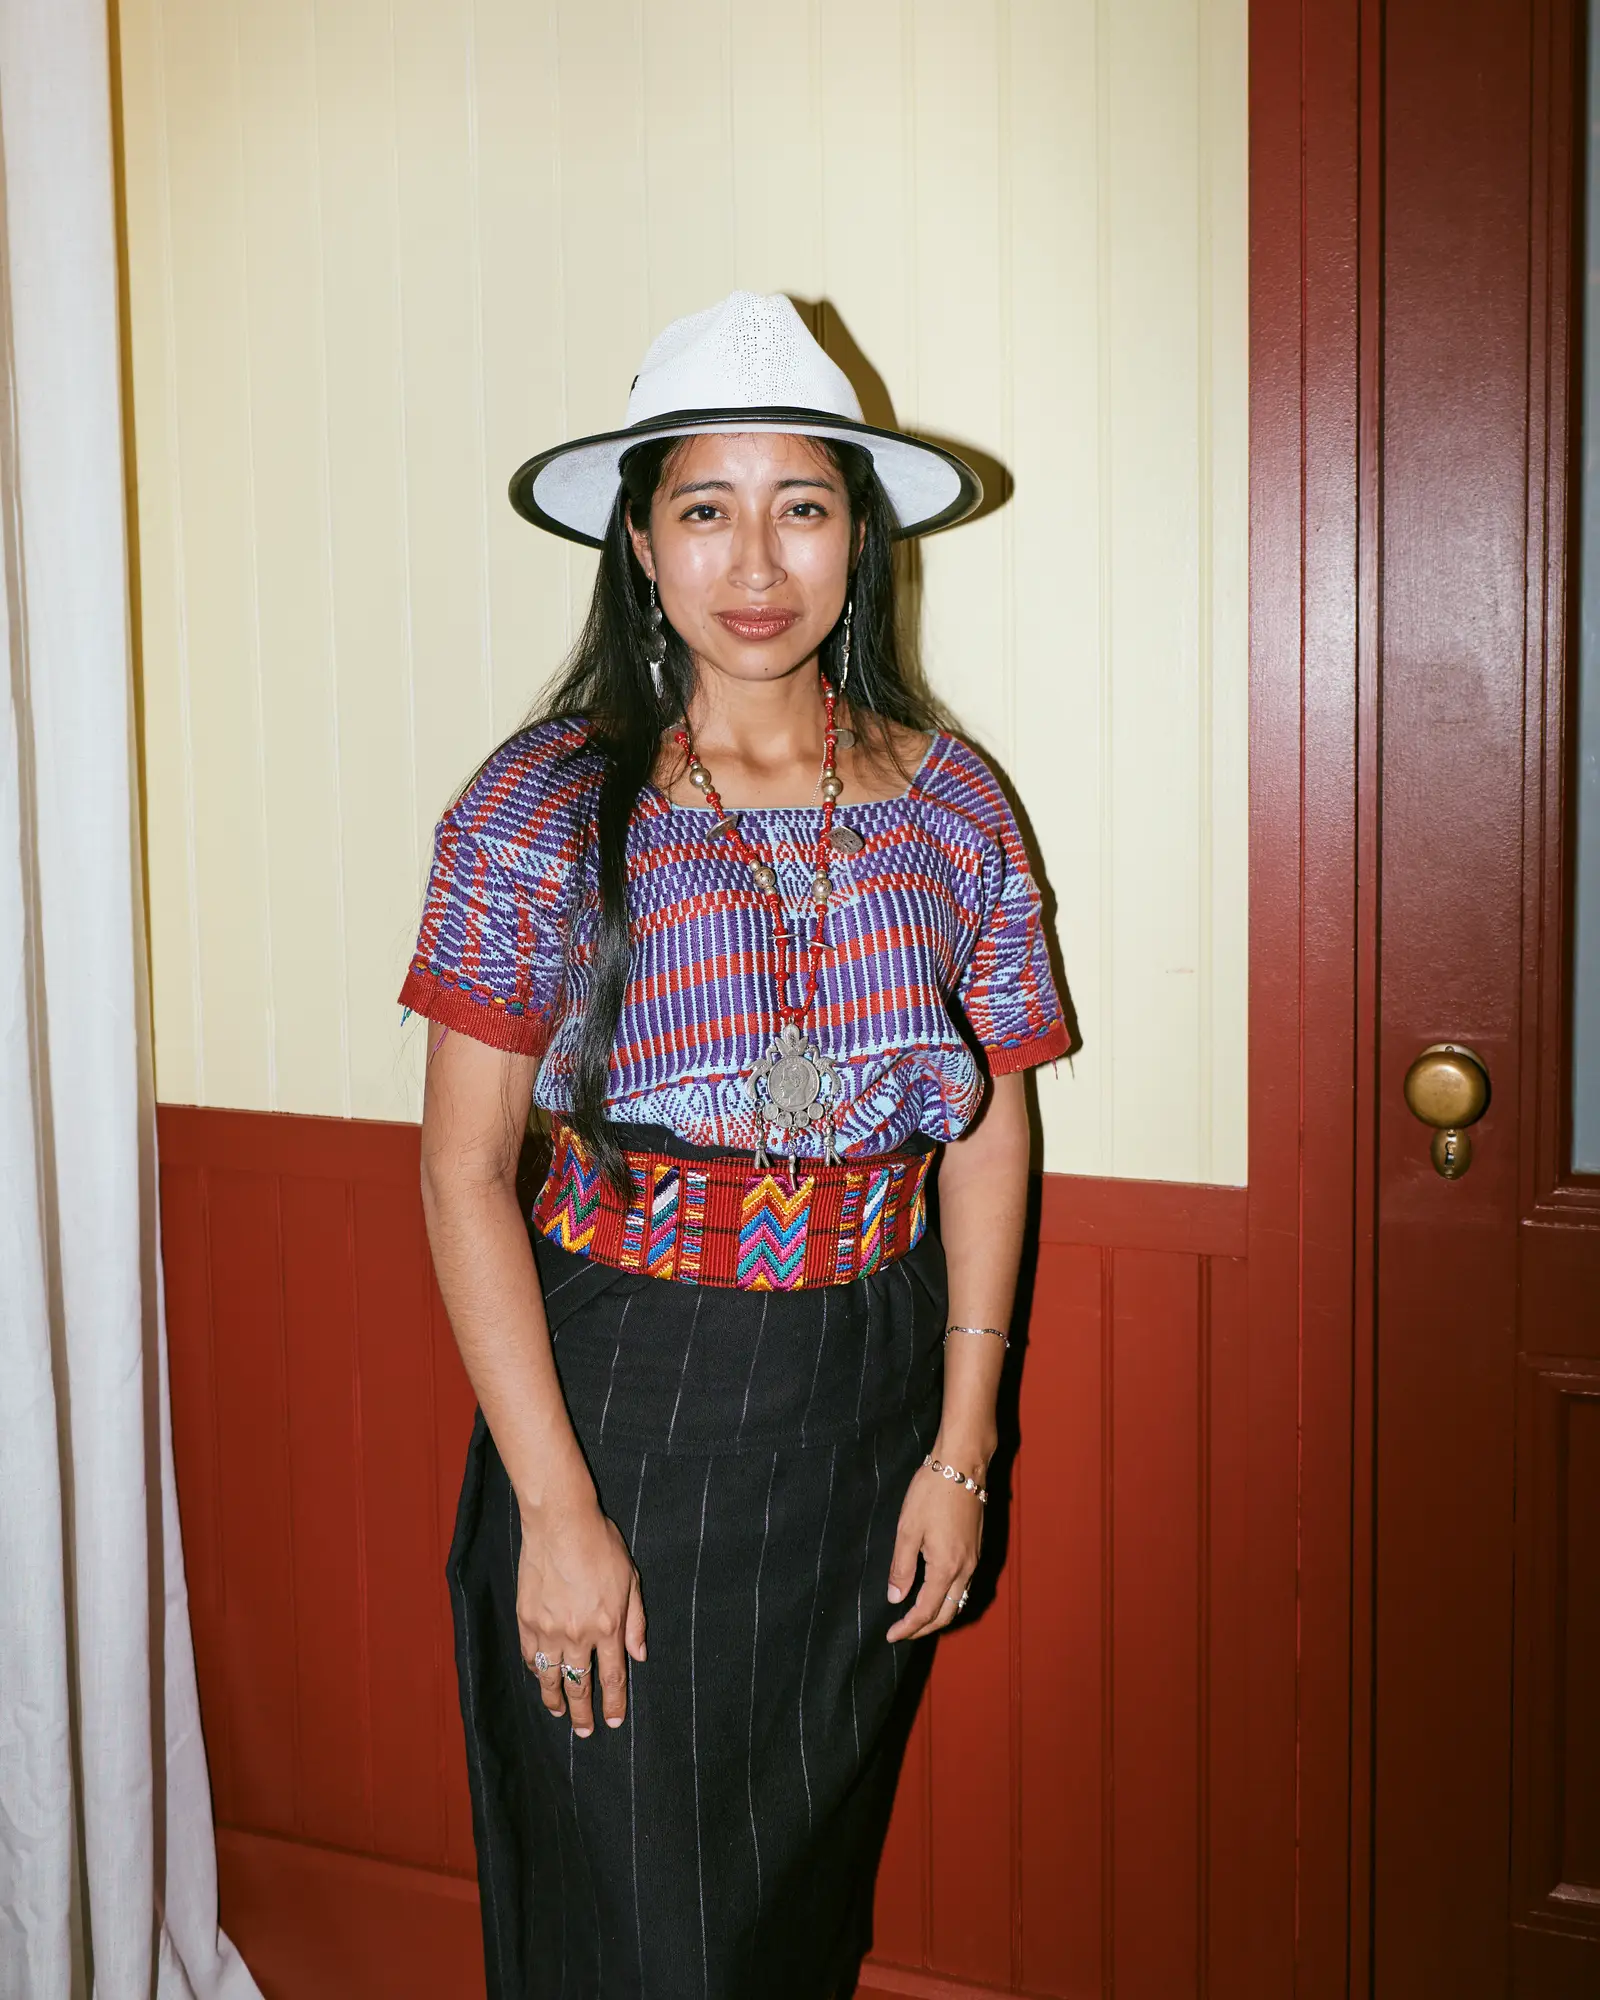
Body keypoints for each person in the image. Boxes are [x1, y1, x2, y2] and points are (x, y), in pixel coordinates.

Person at [403, 291, 1070, 2000]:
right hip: (632, 1407)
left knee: (786, 1922)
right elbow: (464, 1171)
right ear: (639, 541)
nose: (757, 561)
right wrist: (556, 1511)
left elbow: (989, 1124)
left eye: (803, 506)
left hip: (870, 1404)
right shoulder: (540, 804)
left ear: (860, 534)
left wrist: (962, 1446)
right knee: (638, 1937)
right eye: (706, 508)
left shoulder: (954, 803)